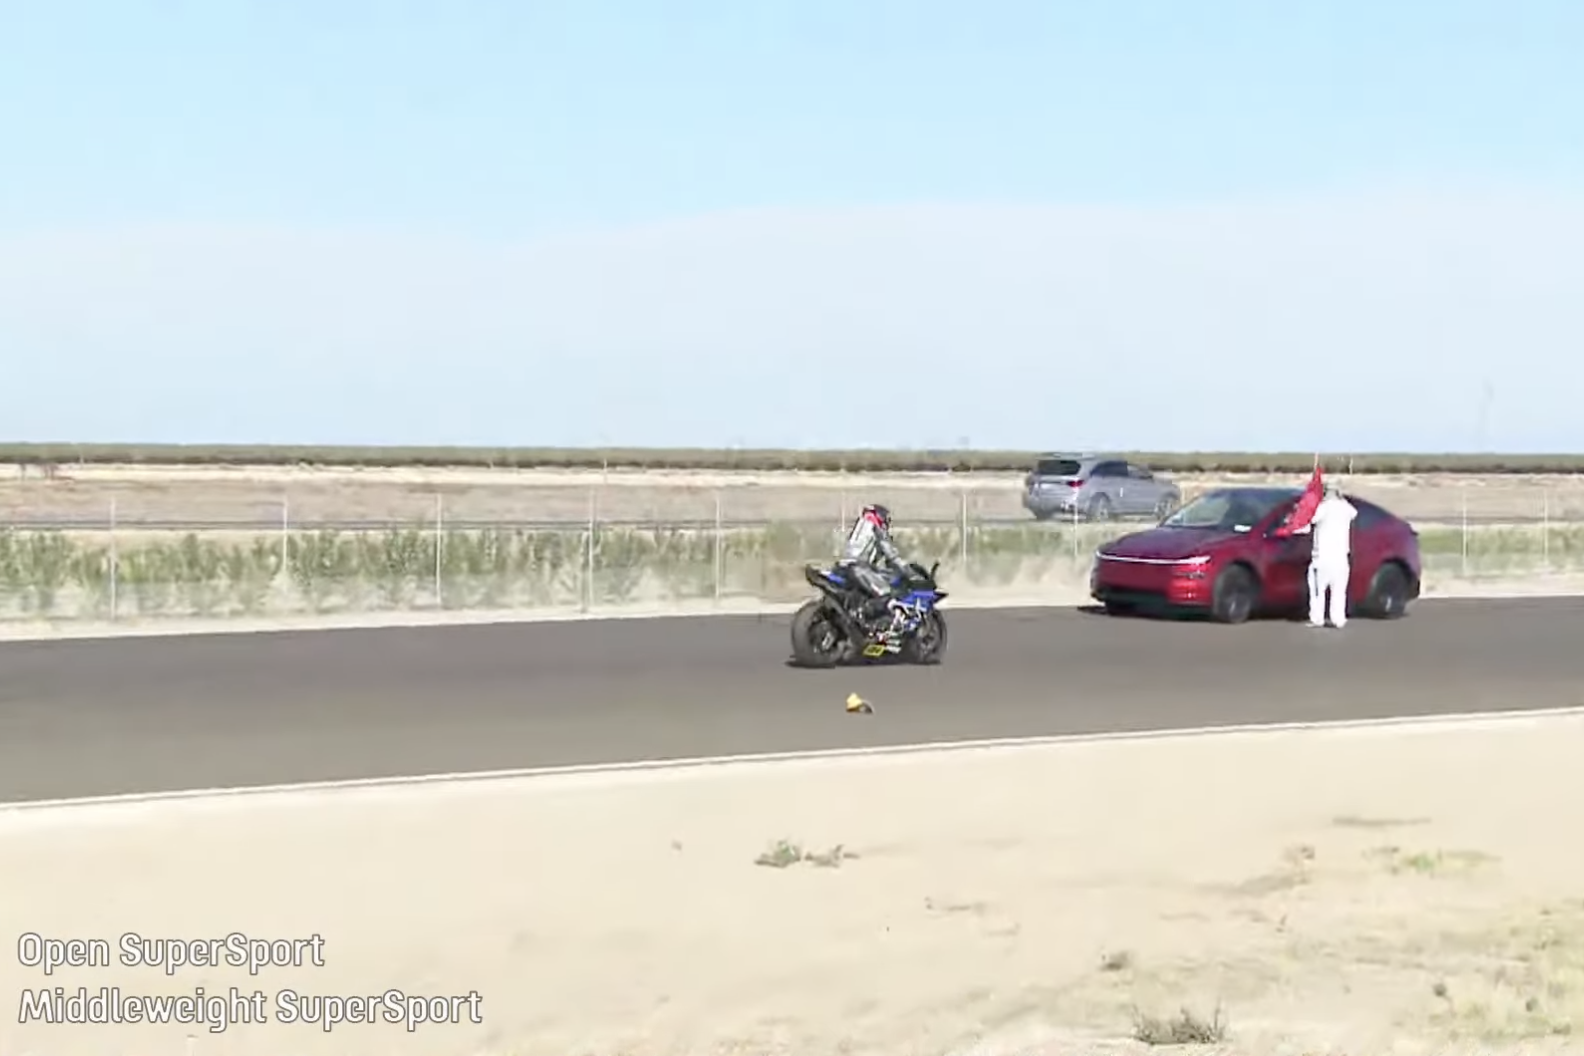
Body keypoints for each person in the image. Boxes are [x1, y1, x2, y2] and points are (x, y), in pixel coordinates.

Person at [836, 504, 911, 634]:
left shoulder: (858, 527)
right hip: (859, 568)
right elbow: (890, 554)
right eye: (886, 519)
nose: (886, 522)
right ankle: (871, 623)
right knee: (886, 594)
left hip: (842, 567)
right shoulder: (875, 528)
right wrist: (907, 569)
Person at [1294, 481, 1358, 628]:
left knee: (1318, 591)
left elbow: (1310, 520)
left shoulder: (1323, 508)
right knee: (1339, 592)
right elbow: (1354, 513)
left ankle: (1317, 618)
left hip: (1322, 558)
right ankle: (1338, 619)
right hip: (1341, 558)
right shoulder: (1346, 509)